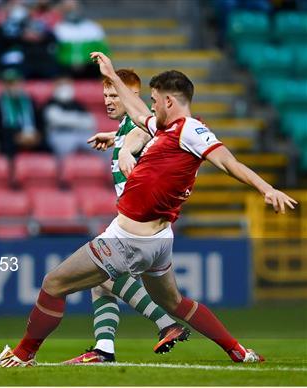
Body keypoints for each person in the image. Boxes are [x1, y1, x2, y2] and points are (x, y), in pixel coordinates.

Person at [0, 52, 297, 367]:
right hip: (157, 240)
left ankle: (22, 356)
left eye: (156, 101)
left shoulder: (190, 130)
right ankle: (237, 350)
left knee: (53, 283)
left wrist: (266, 188)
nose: (152, 106)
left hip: (128, 239)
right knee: (173, 300)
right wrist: (113, 79)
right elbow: (136, 114)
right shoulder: (167, 129)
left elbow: (229, 162)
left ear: (170, 101)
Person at [63, 69, 189, 365]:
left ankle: (165, 324)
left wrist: (126, 147)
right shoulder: (123, 128)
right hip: (131, 219)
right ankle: (104, 348)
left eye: (113, 95)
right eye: (104, 95)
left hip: (138, 223)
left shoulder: (142, 125)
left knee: (104, 274)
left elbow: (147, 131)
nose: (107, 101)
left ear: (132, 97)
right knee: (101, 282)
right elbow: (132, 133)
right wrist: (114, 138)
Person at [0, 69, 45, 157]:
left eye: (15, 82)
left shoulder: (30, 100)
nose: (12, 86)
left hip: (31, 135)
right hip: (10, 138)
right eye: (9, 83)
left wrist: (37, 135)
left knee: (46, 148)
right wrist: (16, 137)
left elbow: (40, 121)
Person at [53, 0, 109, 78]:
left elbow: (103, 52)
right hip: (65, 68)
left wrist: (84, 62)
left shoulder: (94, 28)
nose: (73, 11)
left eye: (75, 7)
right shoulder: (58, 28)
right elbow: (55, 52)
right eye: (69, 8)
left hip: (90, 67)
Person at [42, 76, 95, 158]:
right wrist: (78, 119)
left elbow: (90, 122)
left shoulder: (78, 104)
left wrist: (67, 118)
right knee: (65, 146)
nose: (65, 87)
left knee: (103, 146)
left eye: (67, 84)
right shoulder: (50, 103)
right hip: (60, 135)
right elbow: (56, 120)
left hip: (80, 134)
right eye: (61, 85)